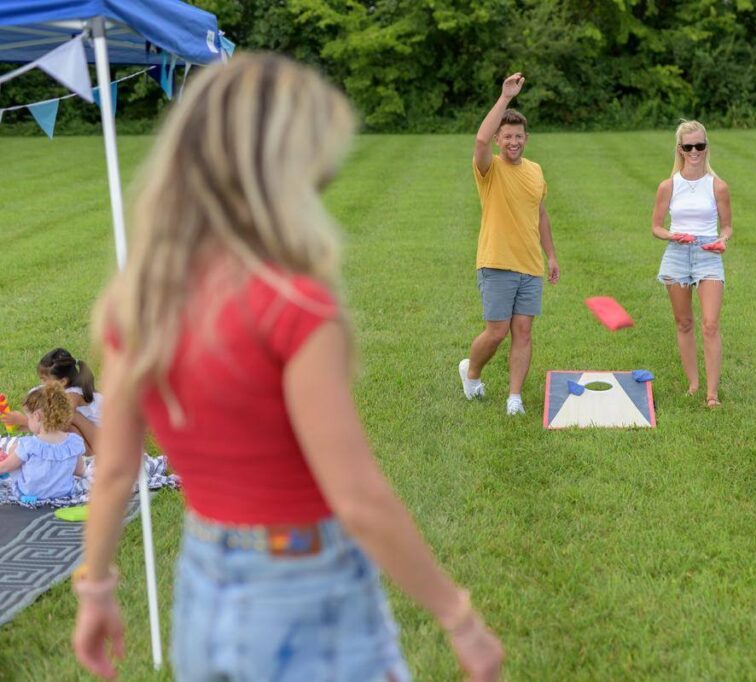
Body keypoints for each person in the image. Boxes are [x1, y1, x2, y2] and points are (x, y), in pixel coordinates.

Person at [72, 54, 503, 682]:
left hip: (203, 577)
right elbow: (357, 496)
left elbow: (114, 469)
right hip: (307, 583)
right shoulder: (295, 306)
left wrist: (97, 589)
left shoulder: (140, 298)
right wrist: (460, 619)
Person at [459, 72, 560, 416]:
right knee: (497, 331)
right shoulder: (490, 169)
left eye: (518, 136)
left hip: (530, 264)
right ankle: (471, 372)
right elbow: (479, 141)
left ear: (526, 138)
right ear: (500, 140)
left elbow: (540, 214)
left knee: (524, 332)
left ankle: (514, 397)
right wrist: (505, 98)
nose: (513, 142)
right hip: (497, 262)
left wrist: (551, 255)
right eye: (507, 136)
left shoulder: (535, 170)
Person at [650, 120, 733, 408]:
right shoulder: (668, 186)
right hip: (677, 252)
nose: (695, 151)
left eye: (700, 145)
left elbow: (727, 227)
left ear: (706, 147)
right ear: (680, 150)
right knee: (684, 322)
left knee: (710, 324)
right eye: (689, 147)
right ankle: (693, 383)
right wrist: (673, 235)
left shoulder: (718, 186)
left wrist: (722, 240)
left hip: (708, 252)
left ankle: (712, 394)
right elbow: (656, 227)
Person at [1, 347, 103, 454]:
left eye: (44, 379)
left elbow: (56, 423)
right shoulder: (63, 391)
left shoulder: (73, 395)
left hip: (108, 439)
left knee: (68, 421)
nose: (42, 383)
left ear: (63, 381)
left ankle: (89, 455)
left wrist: (23, 420)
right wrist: (23, 424)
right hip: (96, 435)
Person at [0, 382, 86, 500]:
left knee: (14, 447)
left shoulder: (29, 445)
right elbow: (80, 471)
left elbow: (5, 468)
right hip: (63, 494)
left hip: (29, 493)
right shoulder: (74, 442)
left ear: (37, 416)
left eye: (29, 418)